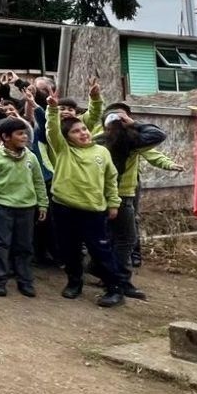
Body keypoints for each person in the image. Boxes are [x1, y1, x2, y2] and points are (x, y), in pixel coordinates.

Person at [45, 92, 133, 307]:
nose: (83, 133)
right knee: (69, 250)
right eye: (76, 131)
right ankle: (74, 282)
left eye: (83, 129)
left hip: (93, 211)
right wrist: (53, 109)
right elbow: (52, 130)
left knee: (101, 250)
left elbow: (111, 180)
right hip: (63, 208)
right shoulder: (63, 150)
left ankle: (115, 289)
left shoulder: (101, 151)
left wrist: (113, 203)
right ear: (67, 138)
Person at [95, 104, 179, 299]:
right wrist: (134, 123)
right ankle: (118, 282)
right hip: (121, 196)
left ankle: (109, 275)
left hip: (104, 196)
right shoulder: (132, 141)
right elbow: (158, 134)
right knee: (126, 240)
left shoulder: (99, 141)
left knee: (113, 239)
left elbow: (154, 150)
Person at [0, 118, 48, 297]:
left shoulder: (30, 157)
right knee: (1, 244)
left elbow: (38, 182)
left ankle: (25, 281)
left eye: (24, 133)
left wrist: (43, 204)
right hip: (1, 207)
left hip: (27, 208)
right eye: (19, 134)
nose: (24, 137)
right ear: (6, 137)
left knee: (24, 245)